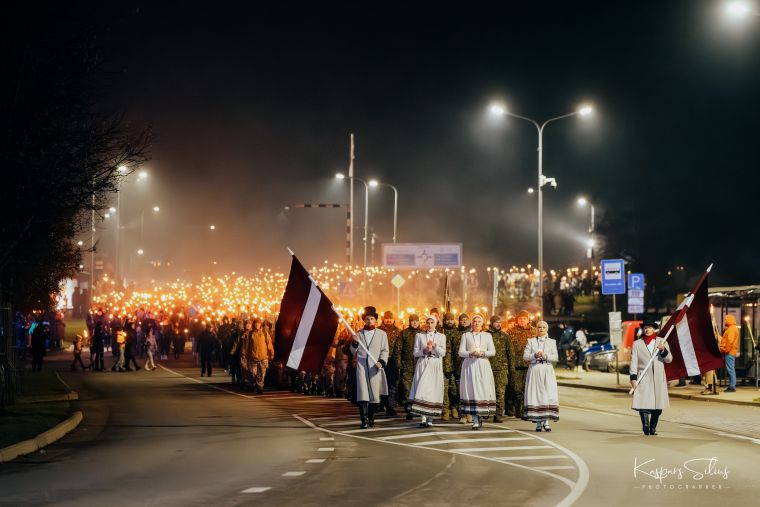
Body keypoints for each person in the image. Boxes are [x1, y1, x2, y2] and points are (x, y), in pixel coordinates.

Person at [630, 316, 672, 436]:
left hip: (659, 378)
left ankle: (653, 427)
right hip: (643, 377)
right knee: (643, 404)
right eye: (645, 328)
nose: (647, 330)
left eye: (649, 327)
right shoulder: (637, 344)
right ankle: (646, 426)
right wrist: (633, 377)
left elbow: (669, 359)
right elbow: (634, 361)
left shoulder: (662, 341)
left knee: (658, 405)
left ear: (654, 329)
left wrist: (663, 350)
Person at [350, 306, 389, 429]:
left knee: (374, 394)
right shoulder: (358, 334)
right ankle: (364, 420)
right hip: (362, 366)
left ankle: (371, 417)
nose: (369, 321)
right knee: (363, 394)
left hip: (374, 366)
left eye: (372, 319)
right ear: (364, 320)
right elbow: (352, 351)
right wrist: (355, 342)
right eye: (367, 319)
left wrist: (382, 361)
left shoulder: (382, 334)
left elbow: (385, 350)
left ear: (375, 320)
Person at [458, 314, 496, 430]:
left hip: (483, 366)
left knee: (483, 390)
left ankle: (481, 414)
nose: (476, 323)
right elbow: (461, 352)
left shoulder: (487, 336)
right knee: (472, 390)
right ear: (472, 323)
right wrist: (471, 353)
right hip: (470, 366)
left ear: (482, 323)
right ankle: (475, 418)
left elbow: (493, 352)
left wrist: (483, 353)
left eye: (479, 321)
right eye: (474, 321)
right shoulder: (466, 335)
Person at [408, 316, 446, 427]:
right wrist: (424, 351)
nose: (429, 325)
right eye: (427, 322)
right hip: (423, 363)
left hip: (434, 364)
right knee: (422, 390)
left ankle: (430, 418)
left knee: (432, 390)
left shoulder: (441, 336)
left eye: (432, 322)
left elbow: (443, 353)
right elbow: (415, 353)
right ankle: (423, 418)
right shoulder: (419, 336)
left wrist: (434, 347)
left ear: (436, 324)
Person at [523, 320, 559, 431]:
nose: (541, 329)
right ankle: (538, 422)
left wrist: (545, 355)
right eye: (539, 327)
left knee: (548, 395)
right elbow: (525, 356)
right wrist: (534, 355)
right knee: (536, 396)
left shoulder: (552, 342)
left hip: (547, 370)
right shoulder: (531, 341)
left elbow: (555, 357)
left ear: (547, 329)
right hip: (535, 370)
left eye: (544, 327)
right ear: (536, 329)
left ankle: (546, 421)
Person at [505, 310, 535, 418]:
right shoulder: (510, 331)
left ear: (528, 320)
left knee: (526, 389)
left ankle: (523, 410)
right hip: (515, 365)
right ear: (517, 320)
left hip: (530, 364)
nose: (522, 320)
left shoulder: (534, 332)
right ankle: (516, 407)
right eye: (520, 319)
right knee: (516, 388)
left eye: (524, 319)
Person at [488, 315, 515, 423]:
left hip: (501, 369)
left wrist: (511, 368)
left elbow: (511, 353)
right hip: (488, 368)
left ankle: (498, 414)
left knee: (500, 393)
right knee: (488, 393)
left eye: (500, 322)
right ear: (491, 323)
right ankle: (487, 412)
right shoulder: (486, 335)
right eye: (496, 322)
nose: (498, 324)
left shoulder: (505, 336)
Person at [394, 314, 421, 420]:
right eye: (412, 321)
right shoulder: (404, 333)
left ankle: (417, 407)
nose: (414, 323)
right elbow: (398, 349)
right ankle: (409, 408)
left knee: (419, 387)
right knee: (407, 388)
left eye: (416, 321)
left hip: (419, 365)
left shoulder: (423, 333)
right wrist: (399, 363)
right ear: (409, 322)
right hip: (407, 366)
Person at [378, 310, 401, 415]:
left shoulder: (398, 331)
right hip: (380, 360)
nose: (388, 320)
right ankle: (379, 404)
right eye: (386, 318)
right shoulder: (378, 331)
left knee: (392, 384)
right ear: (383, 319)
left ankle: (390, 406)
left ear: (393, 319)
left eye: (390, 318)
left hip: (392, 361)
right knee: (380, 383)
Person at [441, 312, 459, 421]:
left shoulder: (457, 333)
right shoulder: (440, 332)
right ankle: (445, 410)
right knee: (444, 389)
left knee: (454, 390)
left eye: (451, 319)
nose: (449, 321)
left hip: (454, 366)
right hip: (442, 366)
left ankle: (454, 408)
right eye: (447, 319)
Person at [251, 318, 274, 393]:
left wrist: (271, 354)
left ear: (260, 324)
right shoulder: (251, 334)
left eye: (258, 323)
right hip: (253, 357)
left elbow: (269, 344)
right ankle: (255, 384)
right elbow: (247, 346)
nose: (256, 324)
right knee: (253, 373)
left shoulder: (264, 333)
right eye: (255, 323)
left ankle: (260, 387)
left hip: (263, 357)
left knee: (262, 374)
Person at [719, 315, 739, 393]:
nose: (725, 321)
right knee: (731, 369)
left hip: (729, 352)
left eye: (726, 320)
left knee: (730, 370)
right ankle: (731, 386)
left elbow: (730, 341)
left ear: (729, 320)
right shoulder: (732, 328)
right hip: (731, 352)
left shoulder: (731, 329)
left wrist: (725, 350)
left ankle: (732, 386)